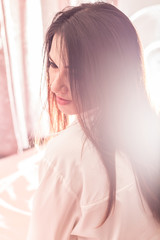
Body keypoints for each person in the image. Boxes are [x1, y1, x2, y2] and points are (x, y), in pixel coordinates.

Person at [27, 2, 160, 239]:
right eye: (53, 64)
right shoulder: (150, 130)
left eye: (76, 72)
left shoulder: (65, 156)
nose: (56, 84)